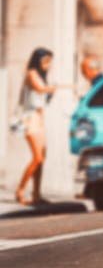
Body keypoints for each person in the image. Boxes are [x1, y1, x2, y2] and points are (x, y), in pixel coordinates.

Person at [16, 47, 55, 205]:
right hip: (30, 118)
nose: (48, 65)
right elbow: (39, 89)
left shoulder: (42, 76)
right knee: (37, 157)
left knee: (41, 158)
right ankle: (20, 190)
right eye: (46, 61)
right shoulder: (32, 73)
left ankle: (36, 194)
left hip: (39, 118)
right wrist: (49, 89)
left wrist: (50, 93)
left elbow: (43, 99)